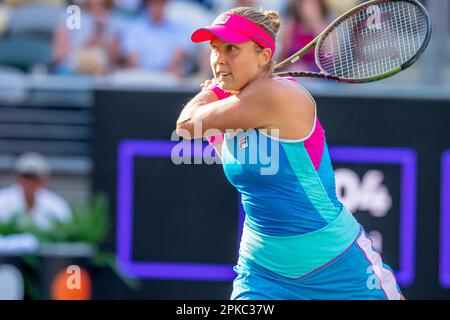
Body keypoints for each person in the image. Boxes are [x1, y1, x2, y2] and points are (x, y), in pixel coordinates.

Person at [176, 6, 405, 300]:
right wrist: (223, 92)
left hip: (335, 263)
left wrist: (213, 93)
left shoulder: (279, 95)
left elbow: (187, 123)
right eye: (215, 49)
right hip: (262, 270)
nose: (219, 59)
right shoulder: (237, 105)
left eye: (231, 48)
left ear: (264, 55)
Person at [0, 152, 72, 231]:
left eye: (34, 177)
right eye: (26, 176)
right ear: (18, 177)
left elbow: (65, 232)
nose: (30, 182)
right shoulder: (2, 200)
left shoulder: (56, 204)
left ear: (43, 180)